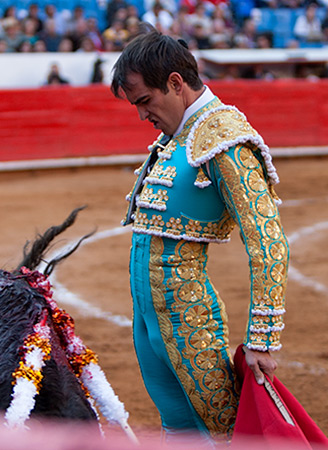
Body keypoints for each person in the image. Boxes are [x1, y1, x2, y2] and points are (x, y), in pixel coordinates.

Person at [110, 27, 289, 442]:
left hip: (188, 320)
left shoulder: (224, 137)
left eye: (145, 101)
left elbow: (267, 239)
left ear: (175, 83)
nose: (142, 115)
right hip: (148, 318)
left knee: (222, 435)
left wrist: (263, 337)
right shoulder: (175, 139)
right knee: (178, 429)